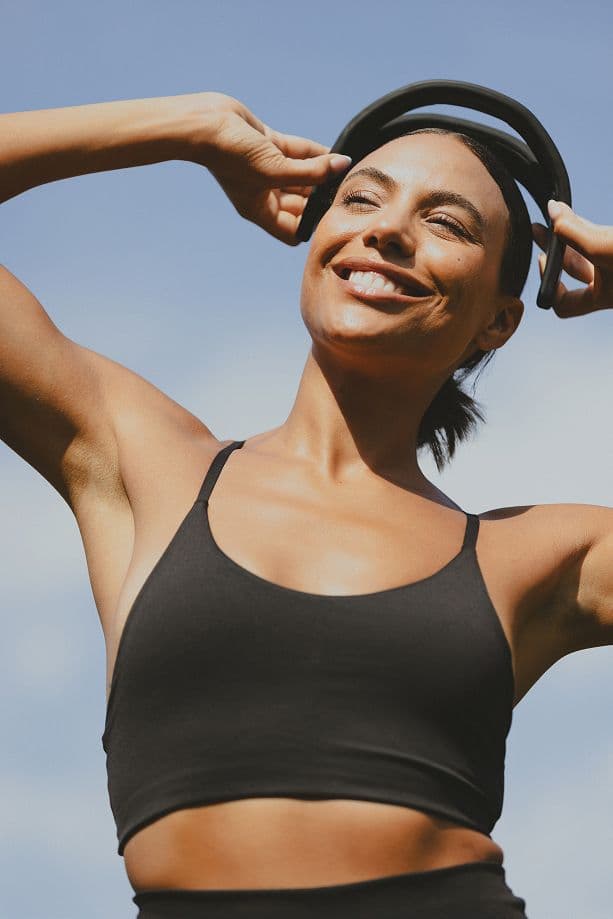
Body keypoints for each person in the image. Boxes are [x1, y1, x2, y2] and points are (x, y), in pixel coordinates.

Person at [1, 90, 612, 919]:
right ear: (312, 238)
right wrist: (191, 129)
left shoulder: (540, 557)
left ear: (499, 322)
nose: (387, 230)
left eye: (447, 223)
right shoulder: (145, 465)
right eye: (361, 197)